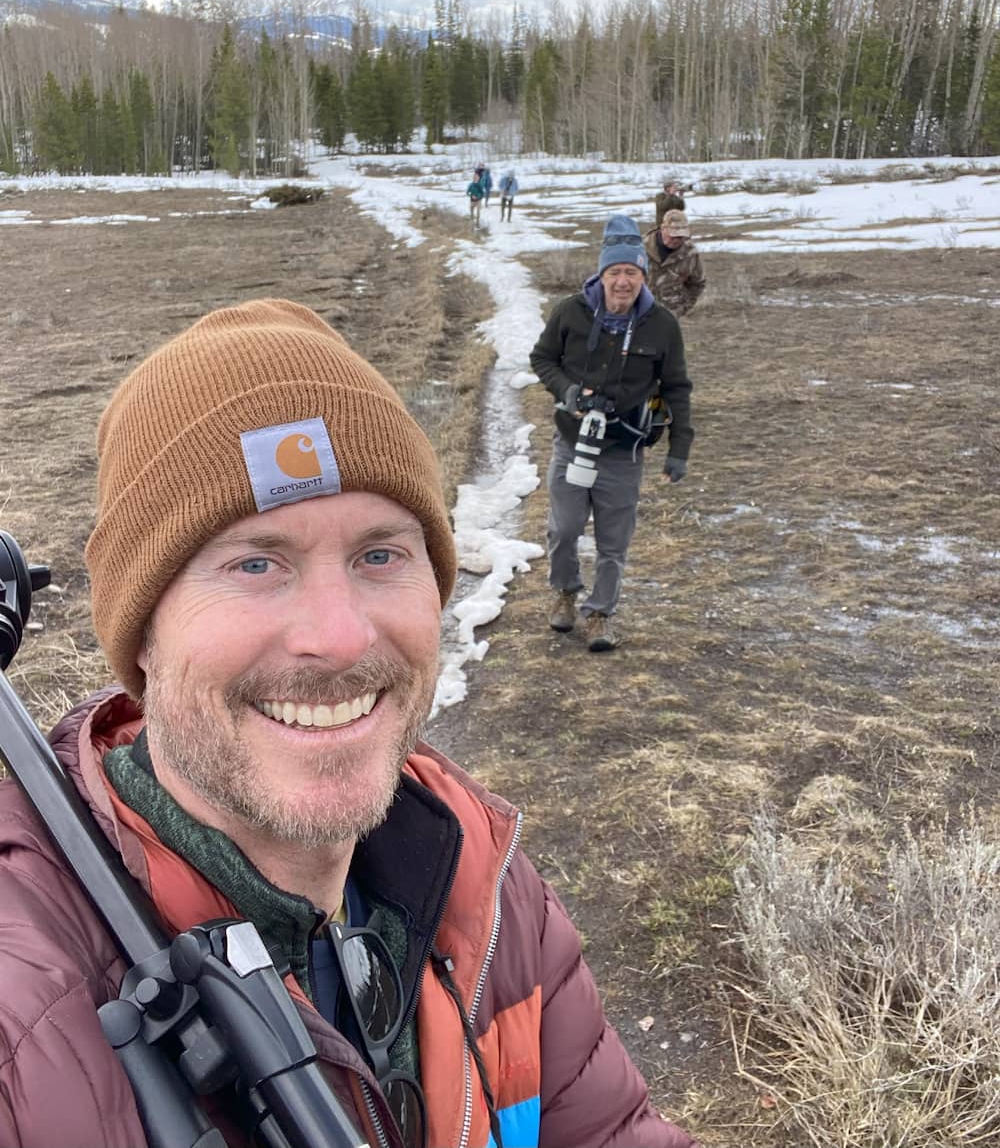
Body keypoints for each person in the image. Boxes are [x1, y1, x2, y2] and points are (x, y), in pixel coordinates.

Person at [0, 298, 698, 1148]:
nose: (338, 636)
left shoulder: (482, 887)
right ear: (142, 631)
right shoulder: (25, 1025)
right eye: (256, 562)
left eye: (380, 554)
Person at [530, 217, 693, 652]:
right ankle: (565, 591)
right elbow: (542, 358)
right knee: (564, 529)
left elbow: (677, 387)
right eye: (614, 273)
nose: (623, 283)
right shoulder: (570, 312)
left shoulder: (662, 325)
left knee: (613, 540)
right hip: (572, 441)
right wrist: (567, 391)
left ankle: (600, 614)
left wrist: (680, 449)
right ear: (601, 275)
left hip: (624, 450)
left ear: (643, 276)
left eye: (632, 274)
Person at [642, 208, 706, 317]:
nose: (677, 240)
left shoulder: (690, 253)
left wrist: (682, 307)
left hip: (670, 316)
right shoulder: (640, 248)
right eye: (673, 235)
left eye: (681, 236)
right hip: (640, 313)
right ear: (662, 228)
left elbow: (697, 283)